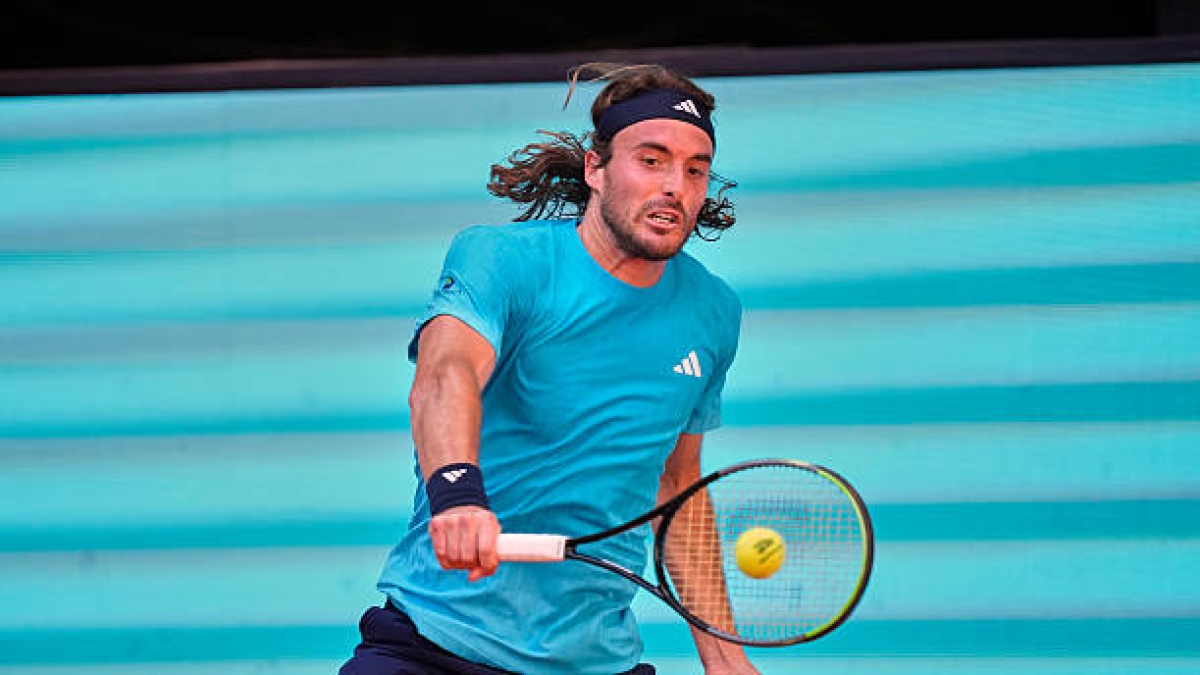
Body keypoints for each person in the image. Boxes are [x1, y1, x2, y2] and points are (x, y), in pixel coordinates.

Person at [340, 62, 756, 675]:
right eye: (652, 160)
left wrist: (727, 662)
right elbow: (445, 373)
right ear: (596, 167)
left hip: (596, 661)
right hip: (435, 646)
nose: (675, 185)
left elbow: (677, 488)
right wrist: (457, 495)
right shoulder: (501, 259)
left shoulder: (714, 312)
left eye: (695, 170)